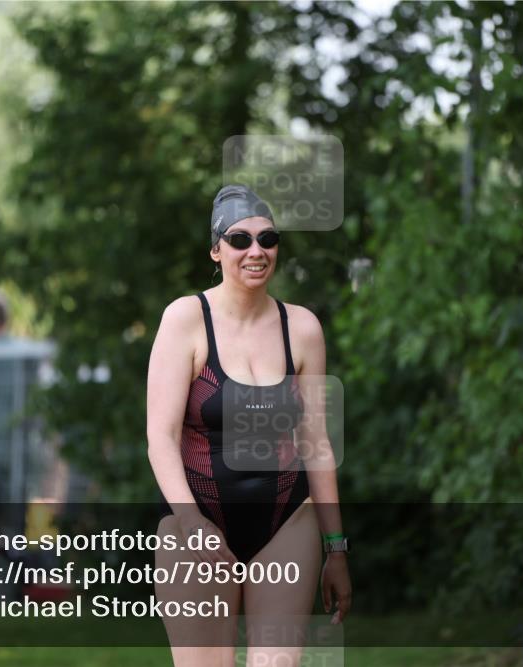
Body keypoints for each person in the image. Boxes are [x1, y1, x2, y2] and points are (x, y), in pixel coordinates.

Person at [147, 184, 351, 666]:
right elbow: (161, 437)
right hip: (196, 523)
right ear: (216, 250)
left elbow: (317, 442)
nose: (256, 251)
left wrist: (336, 549)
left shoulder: (302, 328)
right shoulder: (185, 319)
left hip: (285, 523)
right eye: (240, 240)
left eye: (268, 239)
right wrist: (190, 521)